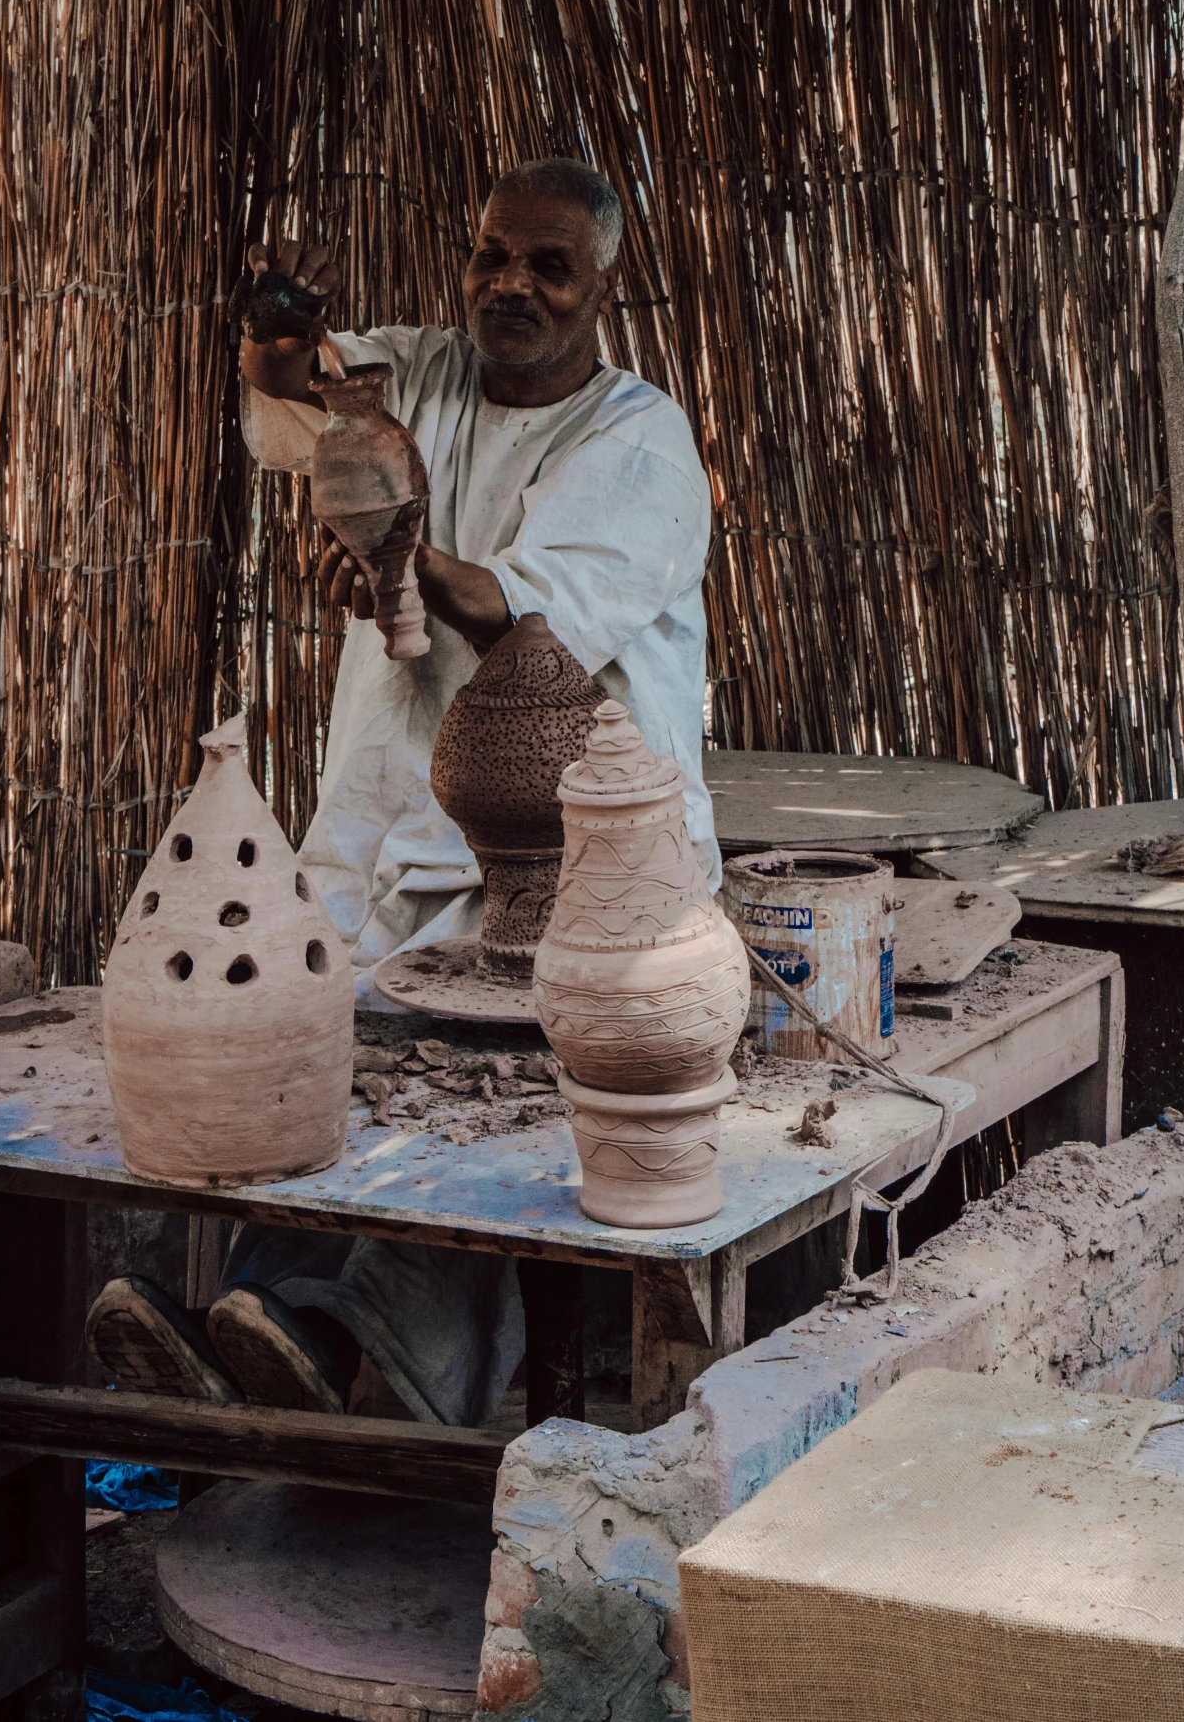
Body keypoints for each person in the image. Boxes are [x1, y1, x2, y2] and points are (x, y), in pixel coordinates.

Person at [88, 160, 717, 1426]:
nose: (511, 285)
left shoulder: (637, 439)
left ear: (605, 286)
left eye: (549, 265)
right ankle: (250, 1333)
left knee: (460, 1118)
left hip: (558, 868)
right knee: (309, 1056)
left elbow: (524, 616)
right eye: (492, 254)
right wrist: (273, 328)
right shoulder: (413, 373)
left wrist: (400, 556)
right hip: (384, 822)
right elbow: (291, 382)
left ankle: (347, 1345)